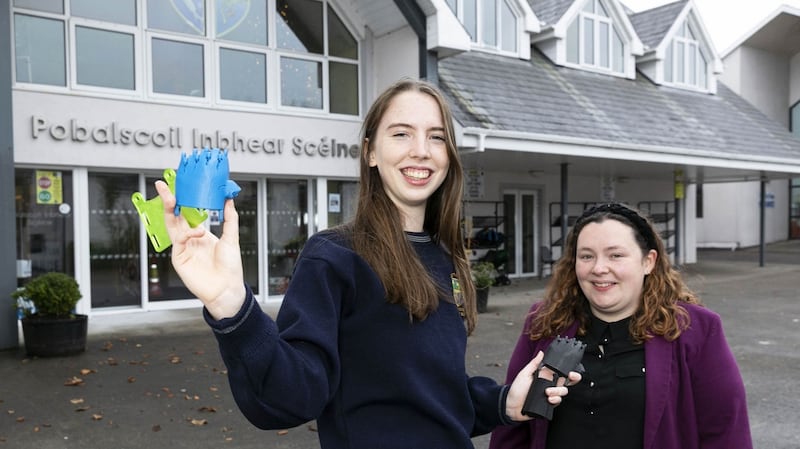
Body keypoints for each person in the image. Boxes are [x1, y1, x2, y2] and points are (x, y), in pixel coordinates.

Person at [154, 78, 579, 449]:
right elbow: (290, 398)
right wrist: (232, 304)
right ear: (370, 153)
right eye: (401, 134)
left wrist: (505, 402)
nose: (421, 151)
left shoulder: (445, 256)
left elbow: (429, 394)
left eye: (435, 137)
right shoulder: (336, 257)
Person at [489, 202, 753, 449]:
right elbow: (512, 422)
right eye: (586, 256)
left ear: (648, 261)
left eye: (615, 255)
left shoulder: (695, 329)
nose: (599, 268)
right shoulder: (544, 322)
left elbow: (726, 429)